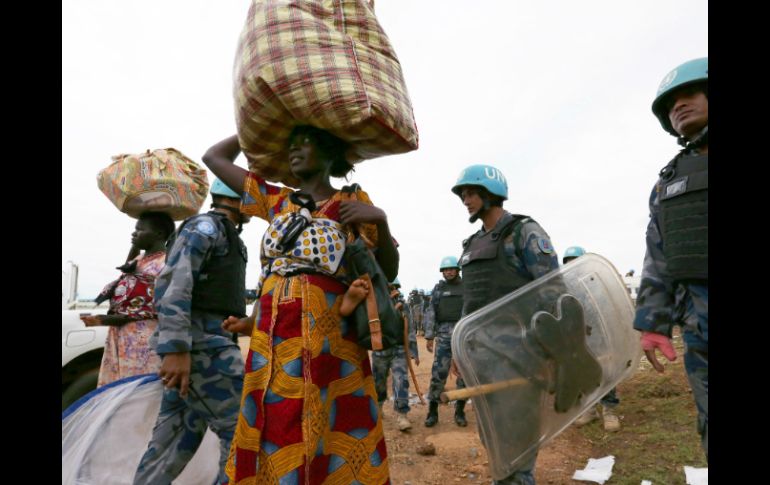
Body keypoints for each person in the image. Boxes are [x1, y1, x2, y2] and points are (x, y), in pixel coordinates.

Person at [202, 126, 398, 484]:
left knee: (325, 418)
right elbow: (213, 158)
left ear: (328, 153)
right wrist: (256, 124)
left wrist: (379, 220)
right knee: (275, 413)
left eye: (304, 143)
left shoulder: (350, 202)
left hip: (330, 332)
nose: (294, 151)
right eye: (289, 146)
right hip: (272, 332)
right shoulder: (276, 201)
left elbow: (387, 269)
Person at [133, 179, 251, 485]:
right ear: (237, 198)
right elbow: (174, 285)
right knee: (244, 433)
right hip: (202, 349)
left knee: (173, 441)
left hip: (203, 346)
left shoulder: (228, 235)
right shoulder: (205, 228)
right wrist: (176, 349)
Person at [451, 164, 560, 485]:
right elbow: (470, 303)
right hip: (482, 358)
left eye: (471, 193)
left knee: (517, 453)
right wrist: (460, 349)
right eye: (463, 194)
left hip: (520, 359)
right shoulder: (471, 245)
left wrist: (554, 354)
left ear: (490, 194)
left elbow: (553, 293)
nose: (465, 200)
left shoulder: (525, 232)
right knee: (495, 443)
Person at [634, 57, 708, 461]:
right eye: (670, 104)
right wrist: (653, 324)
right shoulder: (668, 183)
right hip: (700, 331)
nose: (678, 106)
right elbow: (658, 257)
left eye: (689, 95)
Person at [82, 211, 174, 387]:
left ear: (159, 234)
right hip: (120, 335)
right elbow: (126, 278)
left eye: (140, 229)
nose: (134, 233)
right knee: (118, 392)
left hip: (144, 338)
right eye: (135, 229)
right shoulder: (139, 260)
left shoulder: (166, 262)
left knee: (138, 394)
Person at [562, 246, 621, 432]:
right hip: (577, 338)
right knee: (582, 373)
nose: (571, 264)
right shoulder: (564, 288)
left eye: (575, 260)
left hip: (599, 336)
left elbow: (604, 310)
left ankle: (609, 409)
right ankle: (589, 409)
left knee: (605, 371)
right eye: (568, 261)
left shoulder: (593, 283)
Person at [371, 278, 420, 432]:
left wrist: (414, 352)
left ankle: (402, 415)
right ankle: (378, 408)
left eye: (394, 287)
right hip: (381, 350)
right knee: (378, 382)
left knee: (401, 381)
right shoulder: (374, 304)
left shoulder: (403, 305)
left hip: (399, 349)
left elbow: (409, 329)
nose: (391, 290)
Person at [424, 255, 466, 428]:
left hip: (462, 336)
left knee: (464, 376)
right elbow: (431, 311)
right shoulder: (438, 289)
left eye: (451, 269)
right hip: (443, 336)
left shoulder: (466, 288)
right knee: (438, 374)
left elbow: (470, 310)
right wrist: (429, 336)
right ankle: (432, 411)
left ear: (457, 270)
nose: (448, 272)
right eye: (445, 270)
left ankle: (460, 411)